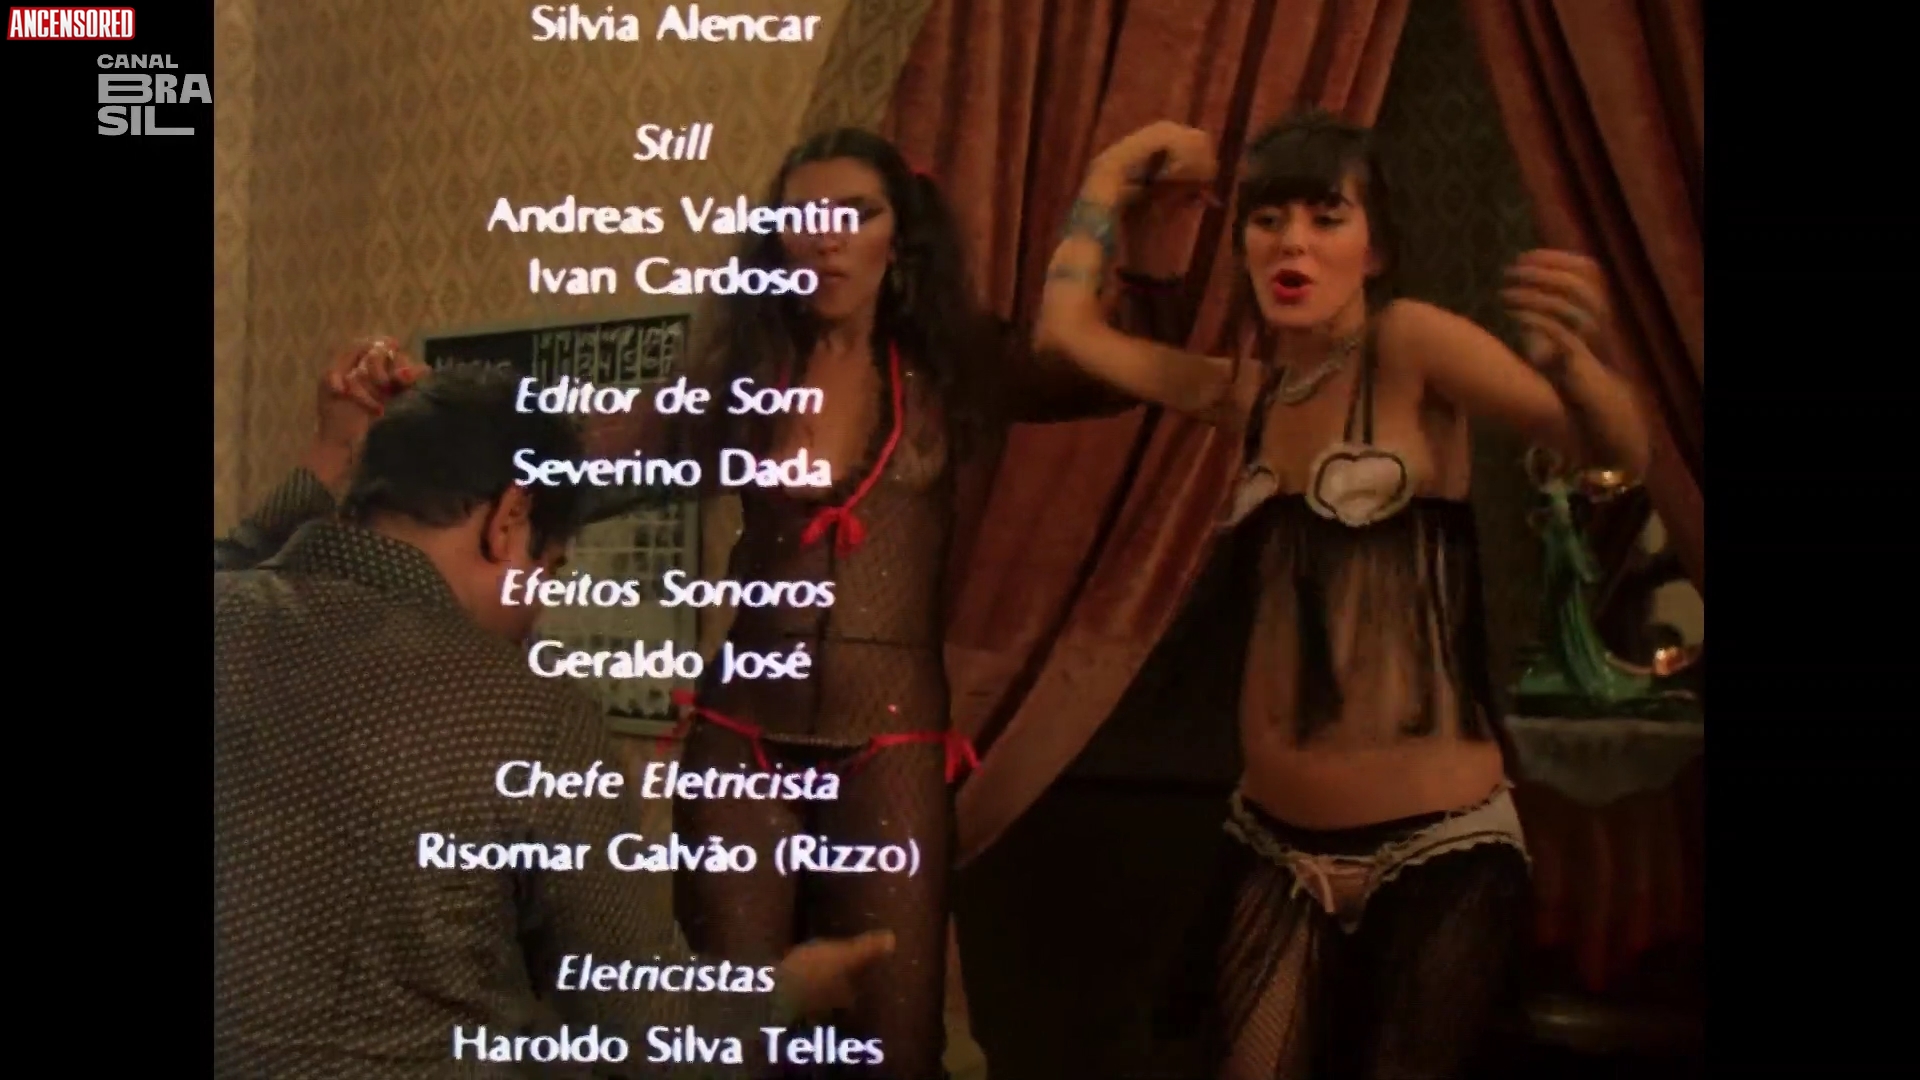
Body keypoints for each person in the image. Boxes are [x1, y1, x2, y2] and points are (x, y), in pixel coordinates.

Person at [1032, 111, 1652, 1078]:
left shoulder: (1409, 343)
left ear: (1377, 248)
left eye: (1327, 218)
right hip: (1273, 848)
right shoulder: (1248, 397)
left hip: (1437, 848)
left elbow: (1613, 449)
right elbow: (1066, 334)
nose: (1293, 244)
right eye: (1267, 220)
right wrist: (1111, 173)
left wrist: (1576, 365)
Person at [582, 127, 1123, 1078]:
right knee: (735, 1041)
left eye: (855, 214)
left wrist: (1111, 190)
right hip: (739, 744)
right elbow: (587, 459)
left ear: (898, 233)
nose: (826, 238)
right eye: (803, 217)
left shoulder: (953, 366)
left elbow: (1096, 370)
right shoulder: (743, 374)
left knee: (893, 1044)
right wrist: (435, 418)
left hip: (892, 747)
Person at [213, 340, 894, 1079]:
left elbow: (235, 561)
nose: (538, 608)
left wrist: (330, 452)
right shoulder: (532, 719)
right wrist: (785, 993)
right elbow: (649, 1031)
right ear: (508, 520)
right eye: (550, 569)